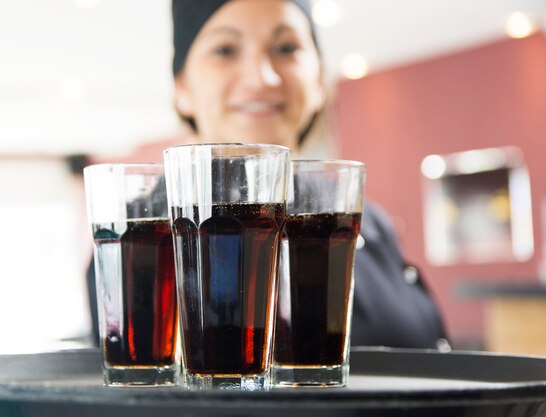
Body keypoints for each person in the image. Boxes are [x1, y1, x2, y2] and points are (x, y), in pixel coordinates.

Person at [168, 0, 448, 349]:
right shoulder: (145, 235)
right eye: (225, 50)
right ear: (182, 88)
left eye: (286, 48)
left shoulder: (369, 222)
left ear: (318, 81)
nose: (263, 77)